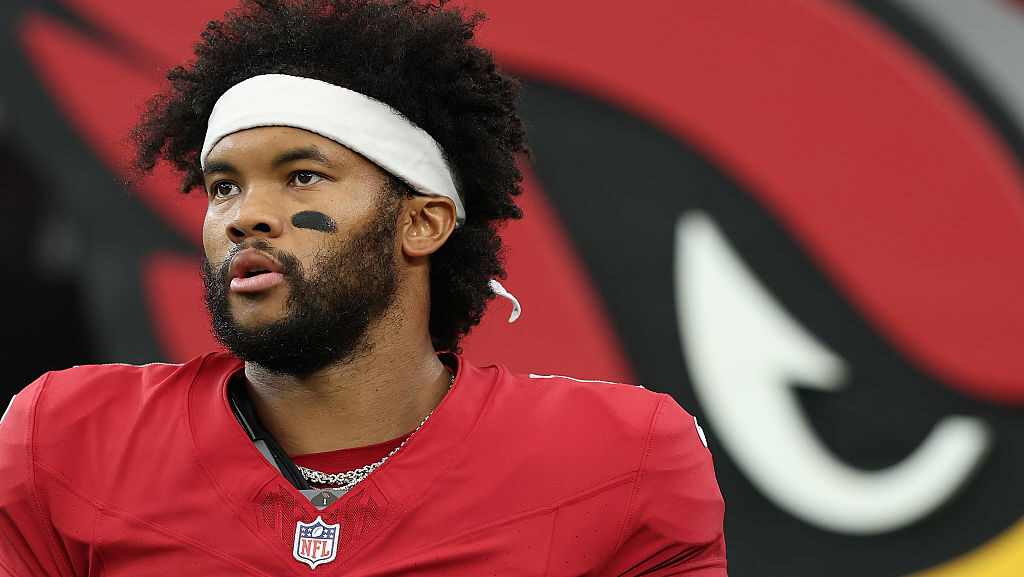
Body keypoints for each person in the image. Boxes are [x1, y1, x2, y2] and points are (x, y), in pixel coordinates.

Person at [0, 0, 727, 574]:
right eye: (224, 185)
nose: (245, 215)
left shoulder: (621, 460)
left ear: (423, 222)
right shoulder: (65, 439)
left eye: (302, 175)